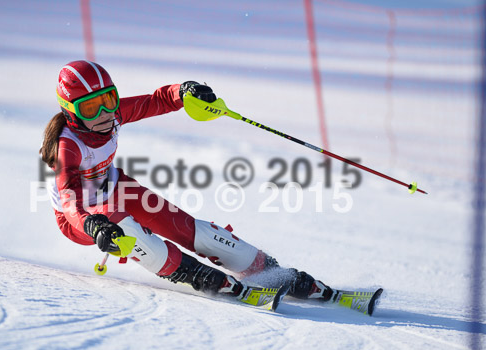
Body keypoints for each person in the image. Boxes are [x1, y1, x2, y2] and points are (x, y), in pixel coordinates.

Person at [40, 60, 334, 303]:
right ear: (71, 111)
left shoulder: (114, 115)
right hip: (81, 217)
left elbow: (156, 101)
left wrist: (183, 92)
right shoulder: (69, 146)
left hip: (116, 188)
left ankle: (268, 271)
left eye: (108, 100)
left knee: (191, 230)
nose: (105, 113)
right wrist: (93, 224)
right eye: (90, 108)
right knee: (125, 229)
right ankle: (194, 274)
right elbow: (69, 202)